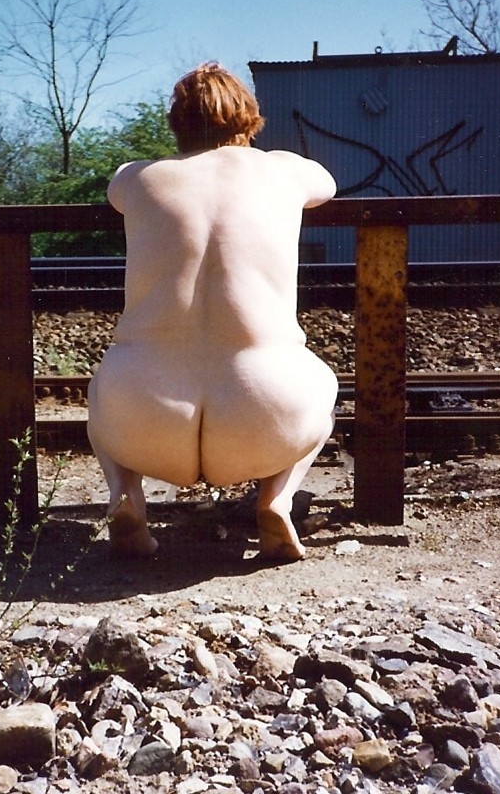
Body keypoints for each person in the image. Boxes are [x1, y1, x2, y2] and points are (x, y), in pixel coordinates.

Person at [87, 62, 337, 561]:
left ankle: (125, 493)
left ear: (175, 123)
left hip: (143, 421)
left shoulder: (137, 177)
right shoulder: (285, 169)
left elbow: (115, 192)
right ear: (250, 118)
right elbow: (325, 185)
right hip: (262, 420)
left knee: (100, 389)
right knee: (324, 386)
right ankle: (277, 498)